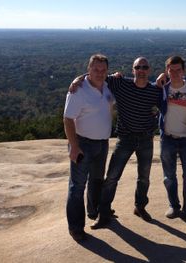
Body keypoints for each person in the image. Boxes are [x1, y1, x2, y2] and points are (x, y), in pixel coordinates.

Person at [70, 57, 162, 229]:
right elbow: (96, 75)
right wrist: (78, 78)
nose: (141, 70)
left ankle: (140, 206)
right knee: (112, 177)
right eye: (137, 67)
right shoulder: (121, 84)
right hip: (125, 139)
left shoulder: (155, 90)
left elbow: (170, 100)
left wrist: (154, 120)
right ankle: (103, 213)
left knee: (144, 178)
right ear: (132, 69)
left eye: (144, 67)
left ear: (149, 70)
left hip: (145, 140)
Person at [63, 54, 114, 241]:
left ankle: (94, 213)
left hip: (102, 143)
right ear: (88, 69)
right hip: (83, 143)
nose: (99, 73)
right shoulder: (78, 90)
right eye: (95, 69)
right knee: (77, 186)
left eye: (103, 70)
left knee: (96, 181)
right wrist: (74, 147)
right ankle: (76, 227)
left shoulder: (108, 86)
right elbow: (68, 119)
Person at [159, 56, 186, 222]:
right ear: (167, 70)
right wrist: (80, 79)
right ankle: (173, 206)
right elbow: (137, 82)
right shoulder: (161, 88)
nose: (175, 73)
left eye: (178, 70)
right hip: (167, 138)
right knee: (169, 176)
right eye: (171, 70)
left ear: (184, 71)